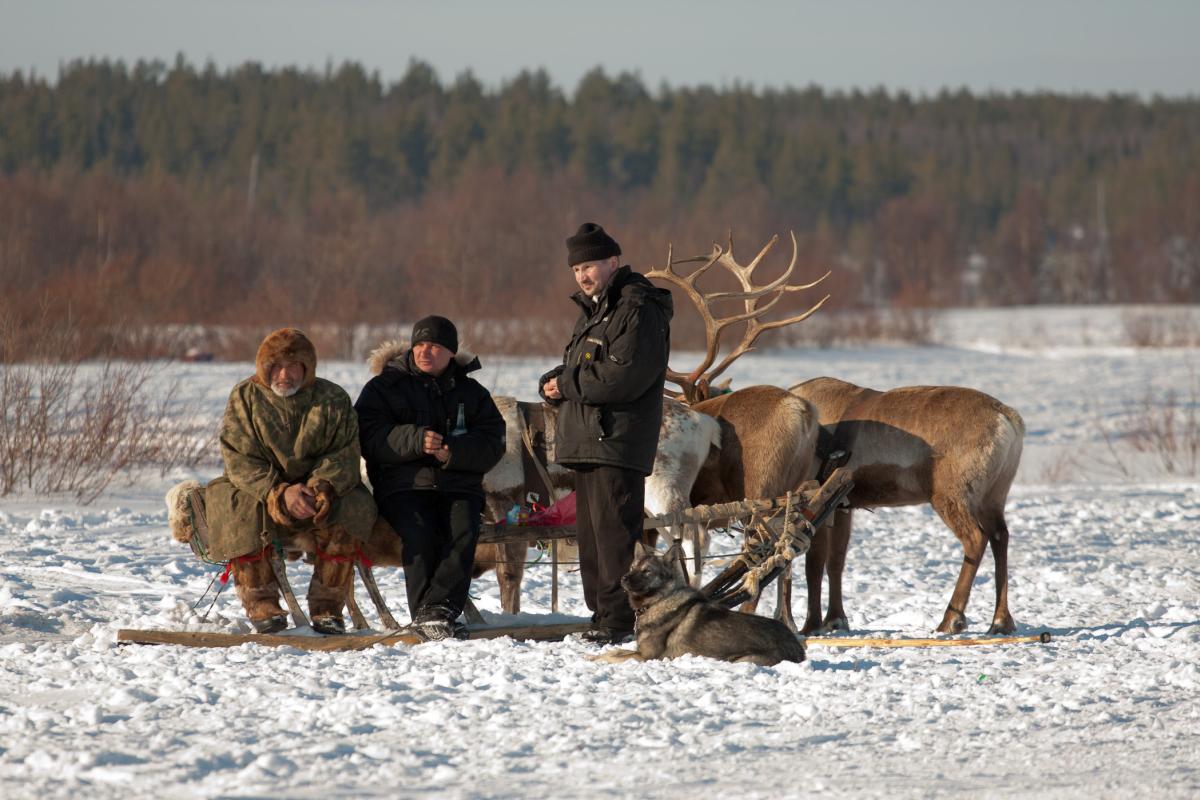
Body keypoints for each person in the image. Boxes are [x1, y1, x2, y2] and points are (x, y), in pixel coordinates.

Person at [166, 328, 377, 635]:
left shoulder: (332, 399)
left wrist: (321, 487)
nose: (284, 374)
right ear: (264, 368)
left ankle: (328, 607)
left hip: (317, 490)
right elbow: (239, 456)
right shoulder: (246, 397)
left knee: (354, 506)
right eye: (275, 366)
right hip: (260, 488)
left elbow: (344, 452)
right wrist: (278, 492)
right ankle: (262, 604)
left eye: (293, 366)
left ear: (307, 368)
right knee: (236, 505)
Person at [538, 222, 673, 644]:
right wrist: (555, 380)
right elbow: (587, 372)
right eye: (576, 268)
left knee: (615, 537)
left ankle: (618, 622)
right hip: (588, 439)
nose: (582, 275)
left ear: (613, 262)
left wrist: (567, 384)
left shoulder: (637, 306)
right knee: (592, 539)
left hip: (616, 439)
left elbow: (624, 377)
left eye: (590, 264)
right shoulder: (597, 312)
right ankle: (601, 618)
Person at [355, 316, 505, 640]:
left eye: (435, 346)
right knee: (419, 535)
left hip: (458, 484)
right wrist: (414, 440)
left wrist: (453, 452)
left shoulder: (472, 393)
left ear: (451, 352)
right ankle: (435, 615)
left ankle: (434, 615)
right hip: (403, 486)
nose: (425, 351)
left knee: (462, 532)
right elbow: (368, 436)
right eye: (420, 344)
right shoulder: (384, 387)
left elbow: (493, 442)